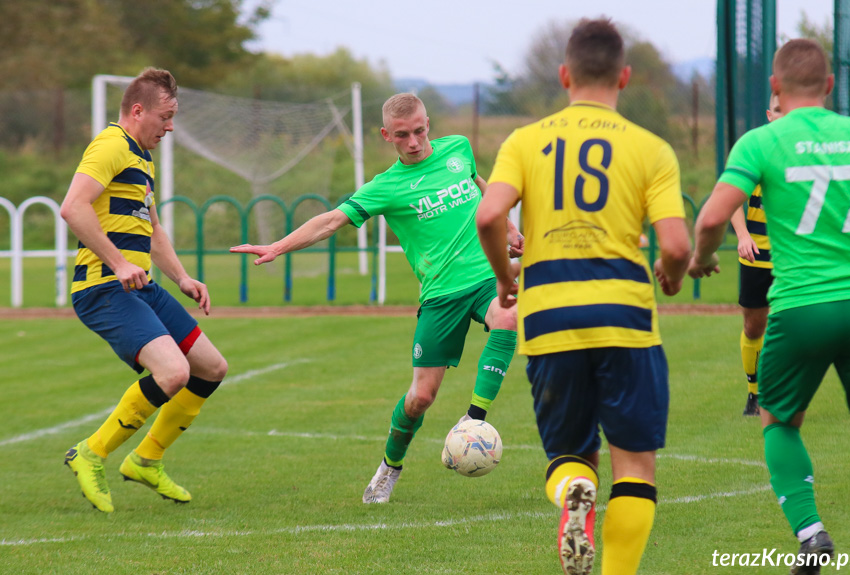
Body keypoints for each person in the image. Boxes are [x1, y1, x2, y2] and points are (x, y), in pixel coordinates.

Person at [230, 93, 522, 504]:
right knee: (420, 397)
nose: (415, 141)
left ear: (428, 124)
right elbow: (331, 221)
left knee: (509, 316)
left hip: (486, 276)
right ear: (387, 135)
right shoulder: (385, 187)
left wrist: (507, 228)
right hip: (440, 294)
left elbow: (480, 186)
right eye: (403, 135)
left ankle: (473, 421)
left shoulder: (459, 148)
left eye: (420, 131)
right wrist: (278, 246)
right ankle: (390, 466)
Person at [476, 18, 691, 575]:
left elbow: (490, 214)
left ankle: (573, 488)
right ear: (624, 77)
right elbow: (675, 244)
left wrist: (504, 279)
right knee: (635, 468)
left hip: (550, 317)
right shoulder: (652, 149)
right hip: (625, 316)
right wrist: (672, 273)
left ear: (564, 74)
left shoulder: (524, 140)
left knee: (569, 456)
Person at [689, 39, 850, 573]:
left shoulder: (760, 141)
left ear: (775, 88)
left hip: (801, 308)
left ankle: (811, 535)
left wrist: (698, 261)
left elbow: (712, 218)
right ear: (831, 87)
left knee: (780, 419)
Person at [61, 68, 228, 514]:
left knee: (211, 368)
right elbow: (72, 208)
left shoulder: (142, 157)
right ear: (138, 111)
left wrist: (183, 278)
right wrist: (117, 262)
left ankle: (146, 460)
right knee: (172, 373)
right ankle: (91, 453)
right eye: (166, 116)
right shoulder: (110, 145)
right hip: (103, 288)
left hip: (141, 286)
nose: (170, 127)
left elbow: (151, 230)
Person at [729, 93, 783, 417]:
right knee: (753, 327)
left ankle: (781, 392)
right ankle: (754, 391)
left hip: (791, 259)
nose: (783, 114)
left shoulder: (804, 155)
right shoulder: (756, 151)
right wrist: (743, 235)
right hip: (755, 254)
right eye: (778, 109)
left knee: (789, 324)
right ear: (769, 114)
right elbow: (733, 198)